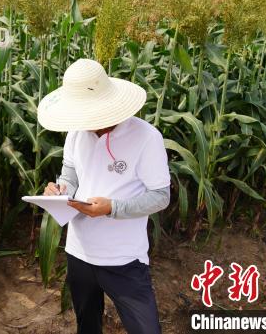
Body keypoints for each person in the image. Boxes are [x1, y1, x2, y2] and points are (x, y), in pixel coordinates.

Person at [38, 59, 171, 334]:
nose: (88, 123)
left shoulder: (147, 138)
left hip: (124, 259)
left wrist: (113, 208)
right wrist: (60, 191)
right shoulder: (76, 133)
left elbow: (160, 196)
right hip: (79, 253)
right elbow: (71, 175)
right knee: (87, 326)